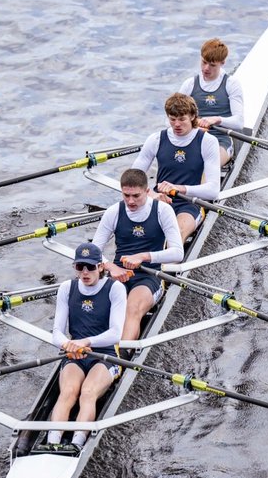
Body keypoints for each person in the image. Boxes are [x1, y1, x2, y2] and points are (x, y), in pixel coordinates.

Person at [42, 242, 126, 453]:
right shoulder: (66, 288)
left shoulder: (115, 288)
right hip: (76, 355)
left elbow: (116, 333)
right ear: (75, 268)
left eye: (90, 267)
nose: (85, 272)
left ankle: (76, 445)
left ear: (101, 267)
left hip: (105, 355)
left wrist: (86, 342)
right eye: (80, 267)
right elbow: (57, 333)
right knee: (68, 392)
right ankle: (52, 443)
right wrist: (67, 344)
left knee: (87, 392)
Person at [91, 167, 184, 343]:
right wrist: (111, 267)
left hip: (149, 276)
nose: (130, 201)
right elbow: (95, 251)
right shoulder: (113, 212)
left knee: (132, 308)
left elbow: (178, 253)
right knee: (99, 311)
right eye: (126, 195)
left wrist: (143, 256)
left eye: (136, 196)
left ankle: (120, 359)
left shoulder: (162, 210)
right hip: (119, 273)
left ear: (148, 192)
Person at [134, 92, 221, 243]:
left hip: (190, 203)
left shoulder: (207, 141)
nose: (177, 125)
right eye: (172, 119)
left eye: (182, 119)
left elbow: (213, 191)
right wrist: (150, 194)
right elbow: (133, 179)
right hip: (160, 199)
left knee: (175, 237)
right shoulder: (155, 139)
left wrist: (179, 188)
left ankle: (169, 262)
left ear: (193, 116)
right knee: (135, 235)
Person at [179, 37, 247, 165]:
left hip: (221, 139)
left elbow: (239, 122)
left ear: (222, 63)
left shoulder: (231, 84)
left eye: (212, 65)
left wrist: (217, 119)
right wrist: (192, 125)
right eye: (204, 62)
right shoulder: (189, 85)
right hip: (193, 137)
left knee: (207, 163)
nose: (206, 68)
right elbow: (170, 120)